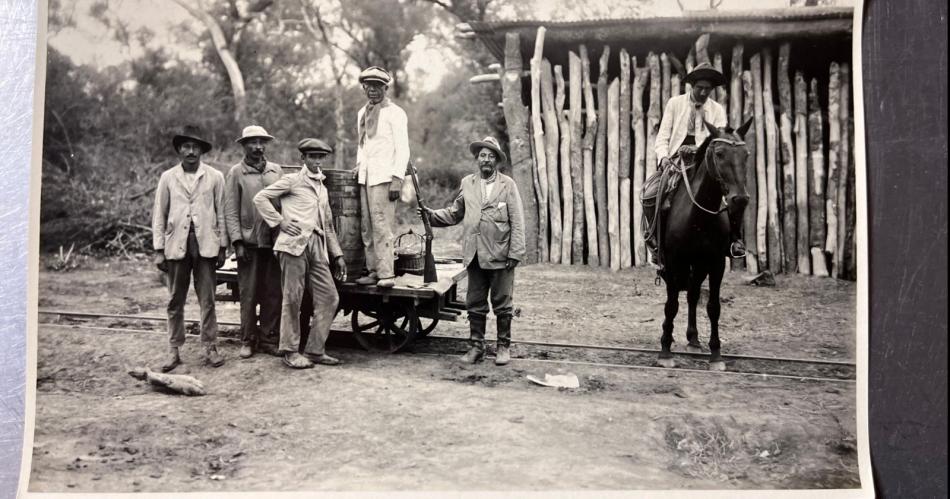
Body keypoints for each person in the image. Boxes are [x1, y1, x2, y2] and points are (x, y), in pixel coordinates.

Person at [419, 136, 525, 366]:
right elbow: (455, 213)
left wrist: (515, 253)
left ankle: (503, 347)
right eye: (482, 155)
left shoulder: (508, 185)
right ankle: (476, 347)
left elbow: (517, 220)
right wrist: (431, 215)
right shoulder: (468, 183)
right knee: (475, 302)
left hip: (501, 255)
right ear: (477, 159)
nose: (486, 159)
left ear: (497, 160)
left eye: (490, 156)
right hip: (474, 254)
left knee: (502, 303)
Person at [253, 138, 347, 369]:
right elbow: (260, 198)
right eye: (312, 157)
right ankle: (290, 351)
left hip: (317, 245)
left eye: (320, 157)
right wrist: (279, 223)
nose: (316, 161)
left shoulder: (322, 188)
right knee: (292, 298)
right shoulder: (292, 180)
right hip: (292, 245)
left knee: (329, 297)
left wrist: (337, 255)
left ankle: (315, 350)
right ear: (302, 159)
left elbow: (328, 225)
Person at [643, 62, 744, 265]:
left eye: (708, 89)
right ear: (692, 86)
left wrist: (698, 151)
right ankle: (656, 242)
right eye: (700, 88)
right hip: (676, 161)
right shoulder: (675, 103)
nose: (704, 92)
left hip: (705, 162)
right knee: (651, 194)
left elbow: (719, 140)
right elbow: (662, 136)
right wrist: (664, 158)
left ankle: (734, 241)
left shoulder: (717, 110)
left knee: (733, 195)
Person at [151, 125, 228, 372]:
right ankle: (174, 350)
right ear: (179, 150)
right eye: (186, 147)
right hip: (177, 245)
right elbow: (159, 216)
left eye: (196, 147)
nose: (191, 151)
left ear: (202, 151)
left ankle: (210, 347)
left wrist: (223, 246)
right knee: (175, 300)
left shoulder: (215, 177)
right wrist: (159, 249)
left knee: (208, 299)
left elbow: (222, 212)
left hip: (206, 244)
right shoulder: (167, 178)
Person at [225, 125, 283, 359]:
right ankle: (248, 339)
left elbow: (283, 204)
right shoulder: (236, 173)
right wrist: (237, 242)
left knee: (273, 292)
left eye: (261, 142)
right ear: (243, 145)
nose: (258, 147)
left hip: (273, 241)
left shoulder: (275, 171)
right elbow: (230, 210)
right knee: (248, 294)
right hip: (248, 244)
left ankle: (269, 338)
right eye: (252, 142)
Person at [353, 66, 410, 289]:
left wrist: (397, 178)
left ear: (386, 88)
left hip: (385, 177)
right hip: (366, 176)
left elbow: (403, 148)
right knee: (367, 226)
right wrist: (359, 165)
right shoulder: (362, 113)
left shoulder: (396, 113)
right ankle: (373, 270)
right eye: (369, 86)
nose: (373, 90)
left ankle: (386, 273)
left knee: (381, 225)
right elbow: (362, 144)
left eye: (378, 86)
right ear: (364, 88)